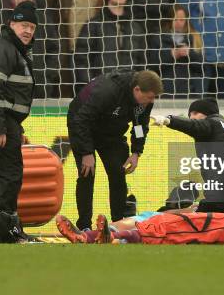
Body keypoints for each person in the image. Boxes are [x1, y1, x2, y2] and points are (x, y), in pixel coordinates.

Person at [67, 69, 162, 230]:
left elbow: (139, 126)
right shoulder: (107, 91)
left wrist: (136, 152)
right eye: (149, 98)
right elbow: (81, 120)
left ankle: (118, 225)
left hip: (111, 133)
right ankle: (84, 226)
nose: (150, 102)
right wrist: (86, 152)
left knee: (118, 173)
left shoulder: (145, 101)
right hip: (83, 126)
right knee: (87, 174)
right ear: (137, 90)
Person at [0, 0, 36, 219]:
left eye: (32, 27)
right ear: (11, 24)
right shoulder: (3, 50)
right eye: (24, 26)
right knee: (8, 176)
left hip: (5, 123)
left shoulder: (13, 50)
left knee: (6, 176)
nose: (28, 31)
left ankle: (3, 225)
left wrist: (14, 129)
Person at [73, 0, 148, 93]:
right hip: (100, 90)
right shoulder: (93, 25)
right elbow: (81, 59)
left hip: (128, 91)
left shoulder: (136, 28)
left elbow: (142, 61)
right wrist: (90, 86)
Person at [148, 5, 203, 97]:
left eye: (181, 20)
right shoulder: (159, 38)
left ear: (186, 21)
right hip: (164, 91)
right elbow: (152, 65)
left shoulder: (193, 38)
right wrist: (172, 54)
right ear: (170, 20)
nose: (178, 23)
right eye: (175, 19)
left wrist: (190, 53)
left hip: (188, 91)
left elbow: (201, 67)